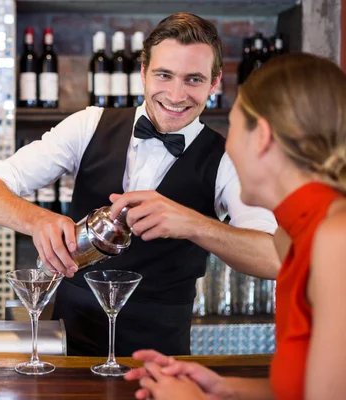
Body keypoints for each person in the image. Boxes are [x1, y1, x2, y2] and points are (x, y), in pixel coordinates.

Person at [0, 12, 279, 357]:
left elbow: (273, 258)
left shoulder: (227, 156)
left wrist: (193, 224)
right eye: (164, 75)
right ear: (143, 71)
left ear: (215, 83)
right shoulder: (88, 125)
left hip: (162, 355)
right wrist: (35, 219)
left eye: (193, 80)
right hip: (70, 345)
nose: (176, 95)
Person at [125, 53, 346, 400]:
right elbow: (305, 389)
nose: (226, 144)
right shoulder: (295, 234)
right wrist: (225, 389)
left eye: (233, 125)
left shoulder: (336, 240)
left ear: (262, 137)